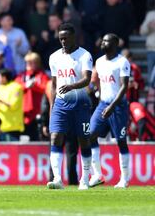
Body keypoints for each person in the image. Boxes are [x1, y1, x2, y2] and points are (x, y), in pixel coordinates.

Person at [47, 22, 93, 190]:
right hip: (60, 103)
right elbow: (53, 84)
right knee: (55, 138)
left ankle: (85, 179)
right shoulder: (54, 57)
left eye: (66, 38)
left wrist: (72, 86)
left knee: (83, 140)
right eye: (61, 39)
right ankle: (58, 178)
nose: (64, 41)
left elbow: (87, 79)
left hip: (80, 103)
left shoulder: (84, 55)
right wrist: (52, 107)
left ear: (74, 37)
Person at [89, 33, 130, 188]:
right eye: (103, 40)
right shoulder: (99, 61)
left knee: (120, 141)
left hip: (118, 107)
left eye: (106, 41)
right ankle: (98, 174)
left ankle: (124, 179)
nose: (102, 43)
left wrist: (112, 106)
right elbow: (99, 82)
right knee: (90, 135)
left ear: (115, 44)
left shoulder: (122, 62)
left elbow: (124, 86)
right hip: (103, 104)